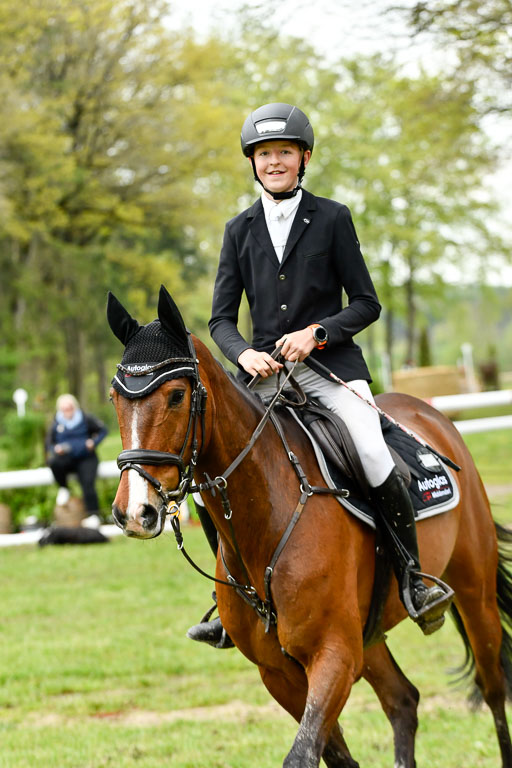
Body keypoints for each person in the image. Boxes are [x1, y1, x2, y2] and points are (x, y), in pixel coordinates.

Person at [188, 102, 452, 647]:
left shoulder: (332, 218)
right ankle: (225, 597)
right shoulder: (238, 230)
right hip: (264, 375)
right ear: (253, 163)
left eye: (284, 152)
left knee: (375, 452)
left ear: (303, 158)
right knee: (203, 474)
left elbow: (366, 303)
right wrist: (242, 354)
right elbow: (219, 318)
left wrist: (318, 334)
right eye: (265, 154)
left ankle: (414, 577)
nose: (275, 162)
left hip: (328, 368)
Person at [45, 394, 108, 528]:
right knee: (53, 462)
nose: (68, 411)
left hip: (86, 457)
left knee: (88, 483)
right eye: (64, 409)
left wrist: (93, 442)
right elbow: (49, 443)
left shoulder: (85, 418)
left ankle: (93, 514)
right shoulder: (56, 423)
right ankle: (64, 488)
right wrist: (55, 448)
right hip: (66, 458)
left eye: (70, 408)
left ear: (74, 406)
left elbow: (103, 430)